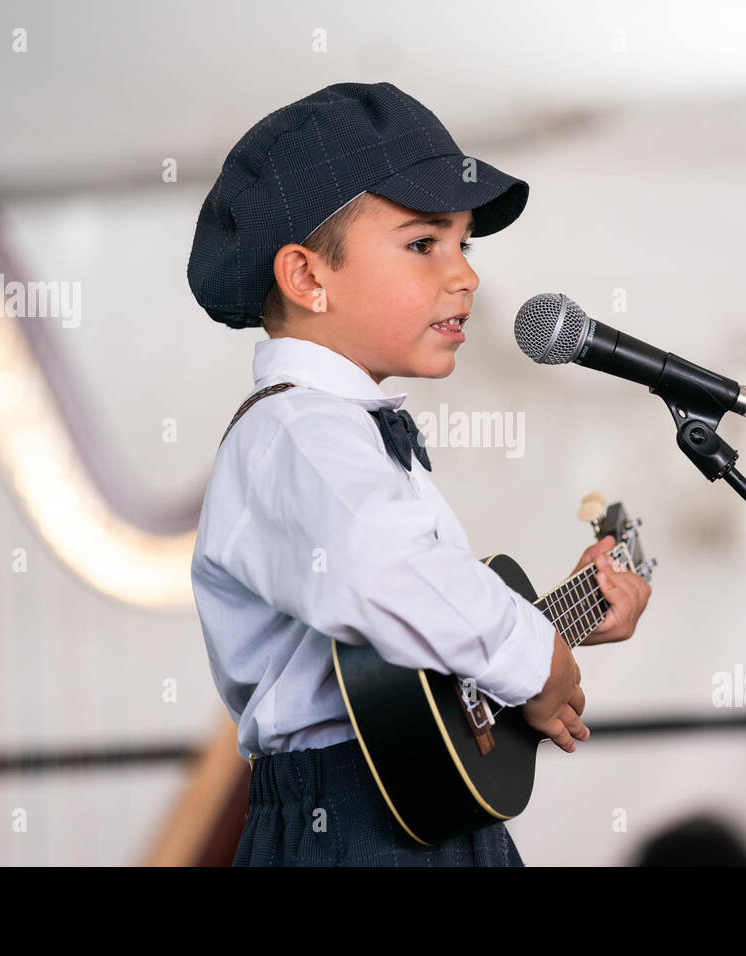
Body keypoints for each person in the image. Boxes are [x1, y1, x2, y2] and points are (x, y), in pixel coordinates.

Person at [187, 81, 651, 866]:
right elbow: (383, 569)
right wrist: (536, 659)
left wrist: (555, 630)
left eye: (465, 244)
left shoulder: (350, 432)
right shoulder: (295, 430)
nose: (465, 275)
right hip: (347, 828)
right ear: (306, 278)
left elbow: (408, 671)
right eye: (423, 243)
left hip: (417, 820)